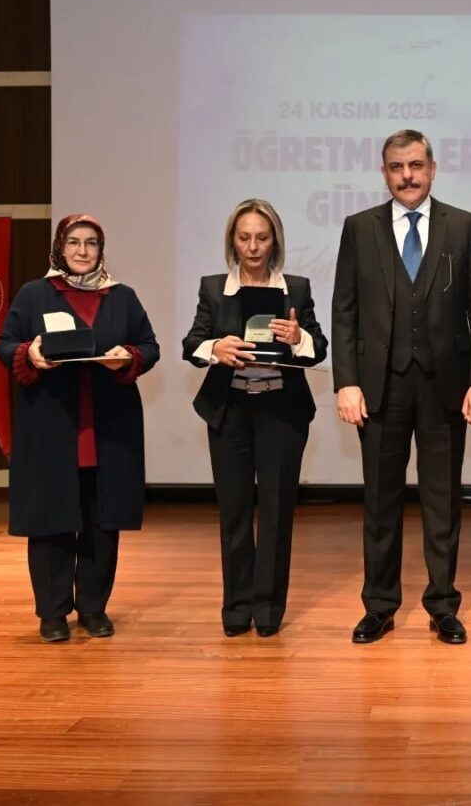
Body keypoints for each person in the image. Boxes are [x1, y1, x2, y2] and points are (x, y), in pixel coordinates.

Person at [331, 128, 471, 645]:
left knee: (442, 502)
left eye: (416, 166)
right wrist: (347, 383)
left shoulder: (463, 226)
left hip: (445, 387)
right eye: (397, 167)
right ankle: (379, 605)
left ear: (432, 168)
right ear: (384, 173)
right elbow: (345, 313)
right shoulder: (359, 228)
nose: (408, 176)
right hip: (379, 388)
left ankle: (443, 604)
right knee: (380, 502)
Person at [0, 214, 160, 642]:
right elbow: (4, 342)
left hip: (109, 429)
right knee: (50, 520)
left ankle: (93, 608)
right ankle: (52, 613)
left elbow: (149, 345)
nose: (82, 251)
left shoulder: (122, 296)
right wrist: (28, 352)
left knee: (101, 522)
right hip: (50, 429)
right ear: (60, 247)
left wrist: (128, 358)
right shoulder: (34, 294)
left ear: (101, 250)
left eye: (91, 243)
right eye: (74, 242)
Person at [183, 198, 328, 637]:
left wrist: (299, 336)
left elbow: (319, 348)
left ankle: (268, 609)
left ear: (275, 241)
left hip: (281, 411)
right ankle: (236, 607)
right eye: (244, 237)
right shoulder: (213, 288)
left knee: (277, 512)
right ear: (232, 241)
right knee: (234, 511)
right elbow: (191, 344)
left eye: (261, 237)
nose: (253, 246)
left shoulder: (296, 289)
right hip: (231, 411)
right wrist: (216, 350)